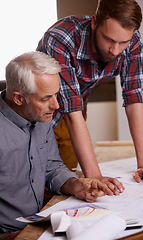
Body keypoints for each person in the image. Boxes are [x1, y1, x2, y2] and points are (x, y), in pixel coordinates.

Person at [37, 0, 143, 185]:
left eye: (123, 42)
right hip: (38, 117)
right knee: (38, 181)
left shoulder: (132, 40)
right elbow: (70, 107)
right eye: (109, 39)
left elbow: (134, 97)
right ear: (94, 22)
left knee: (65, 180)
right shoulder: (61, 37)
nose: (115, 50)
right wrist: (94, 176)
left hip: (74, 117)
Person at [0, 51, 121, 236]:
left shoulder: (41, 117)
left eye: (56, 95)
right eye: (45, 98)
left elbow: (51, 167)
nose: (56, 106)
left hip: (39, 223)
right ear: (18, 98)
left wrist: (76, 185)